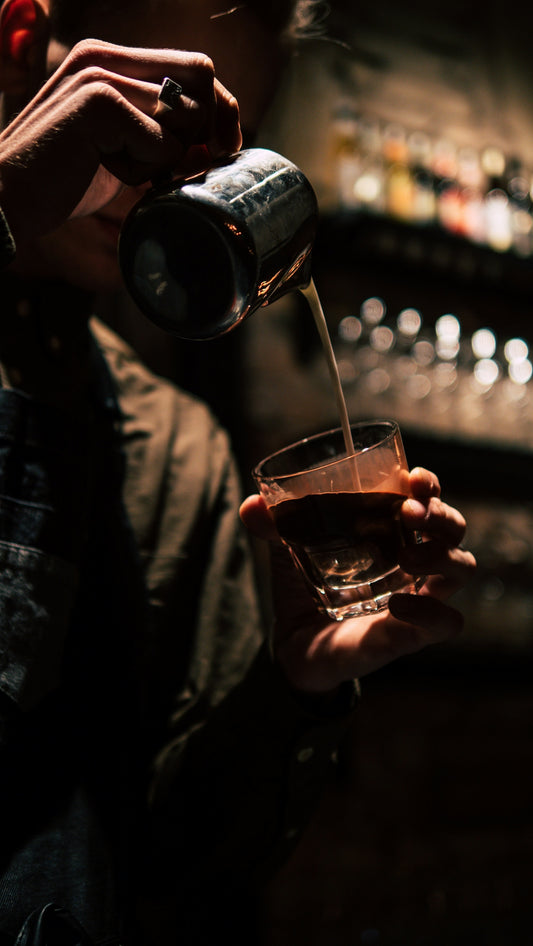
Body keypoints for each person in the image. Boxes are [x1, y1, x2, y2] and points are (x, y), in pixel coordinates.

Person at [0, 0, 476, 943]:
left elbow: (183, 872)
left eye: (217, 143)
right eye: (163, 106)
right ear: (23, 40)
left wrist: (293, 692)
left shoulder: (175, 444)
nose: (173, 174)